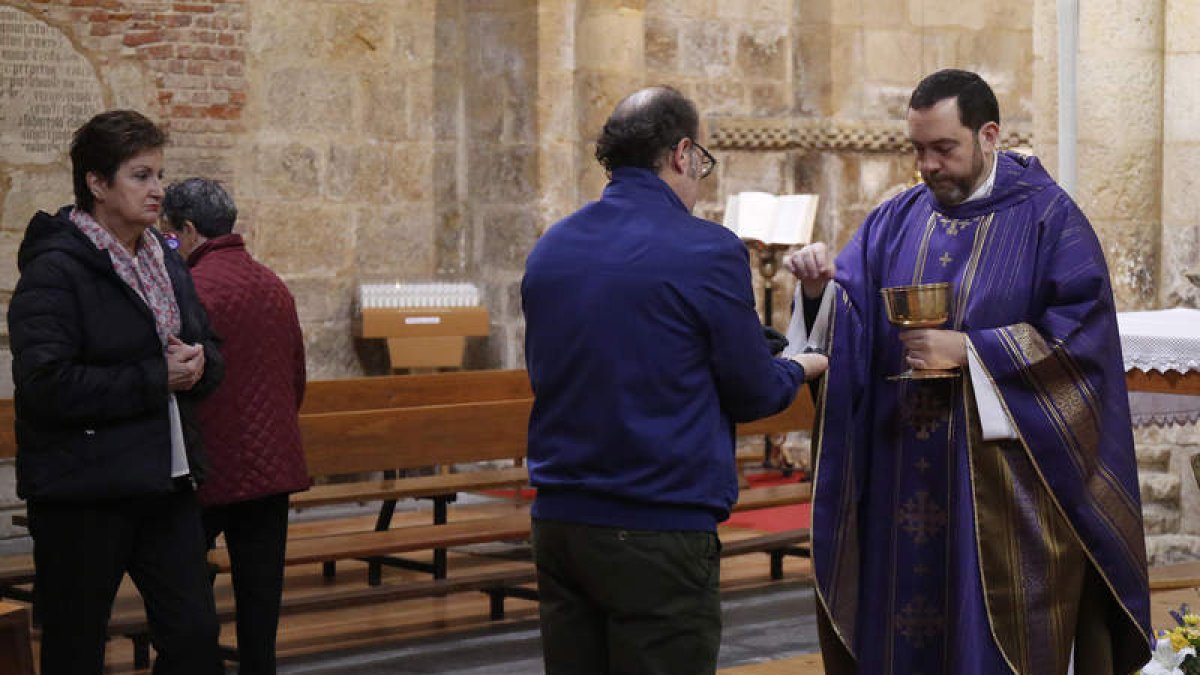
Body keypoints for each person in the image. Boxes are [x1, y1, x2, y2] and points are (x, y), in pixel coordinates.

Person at [785, 69, 1152, 673]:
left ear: (989, 136)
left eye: (944, 149)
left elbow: (1082, 345)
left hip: (1004, 501)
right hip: (899, 482)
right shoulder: (893, 220)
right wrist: (819, 292)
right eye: (918, 150)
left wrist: (973, 351)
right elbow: (846, 324)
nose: (928, 166)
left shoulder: (1050, 220)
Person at [521, 85, 828, 675]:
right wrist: (800, 365)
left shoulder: (552, 247)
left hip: (560, 521)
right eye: (703, 164)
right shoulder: (705, 250)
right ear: (684, 154)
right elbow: (754, 391)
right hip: (655, 525)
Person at [7, 110, 224, 674]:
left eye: (159, 176)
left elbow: (209, 347)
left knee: (196, 637)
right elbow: (45, 386)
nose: (158, 191)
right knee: (76, 647)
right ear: (96, 184)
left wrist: (201, 366)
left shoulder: (165, 260)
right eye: (141, 176)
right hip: (86, 492)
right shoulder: (56, 269)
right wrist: (159, 375)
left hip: (166, 481)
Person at [160, 177, 309, 675]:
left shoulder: (191, 288)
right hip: (274, 469)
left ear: (187, 229)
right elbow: (295, 378)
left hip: (210, 470)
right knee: (260, 603)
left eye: (171, 235)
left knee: (184, 594)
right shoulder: (273, 284)